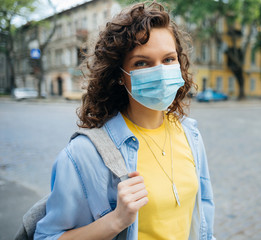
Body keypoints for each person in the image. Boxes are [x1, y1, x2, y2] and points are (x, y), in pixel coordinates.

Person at [34, 1, 215, 239]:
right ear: (120, 75)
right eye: (142, 63)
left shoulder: (190, 135)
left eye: (169, 59)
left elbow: (202, 218)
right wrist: (116, 221)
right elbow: (46, 236)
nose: (160, 72)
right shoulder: (83, 154)